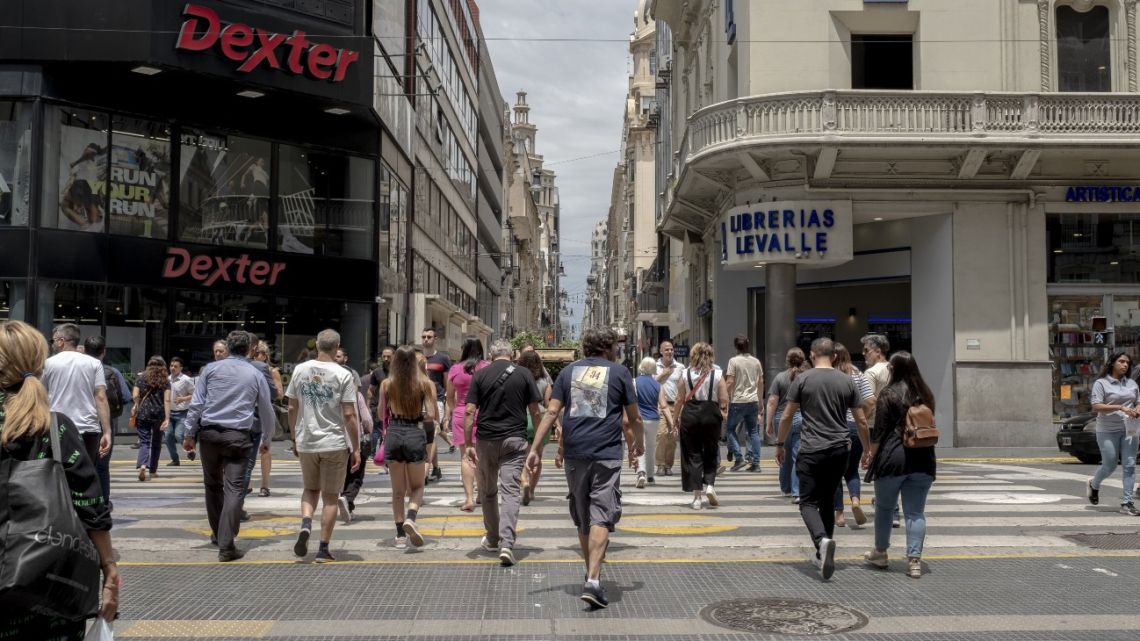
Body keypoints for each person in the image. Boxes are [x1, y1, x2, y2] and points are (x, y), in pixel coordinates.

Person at [0, 320, 119, 640]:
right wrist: (109, 568)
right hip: (52, 585)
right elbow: (90, 504)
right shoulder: (56, 428)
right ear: (38, 366)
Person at [527, 327, 643, 609]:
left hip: (576, 453)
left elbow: (553, 412)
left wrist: (535, 448)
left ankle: (592, 575)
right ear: (609, 347)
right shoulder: (620, 373)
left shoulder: (568, 373)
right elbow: (633, 417)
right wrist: (638, 444)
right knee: (602, 513)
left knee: (582, 516)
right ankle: (593, 579)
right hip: (606, 452)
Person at [775, 337, 869, 582]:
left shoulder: (803, 379)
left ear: (812, 355)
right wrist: (868, 449)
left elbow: (786, 416)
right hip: (840, 449)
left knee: (807, 502)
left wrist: (779, 444)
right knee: (828, 501)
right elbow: (860, 420)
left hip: (811, 448)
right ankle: (823, 552)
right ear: (834, 356)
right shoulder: (847, 381)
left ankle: (821, 540)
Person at [182, 331, 275, 562]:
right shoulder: (255, 373)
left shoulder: (210, 370)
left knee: (212, 485)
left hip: (210, 435)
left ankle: (218, 534)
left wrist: (189, 433)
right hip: (238, 436)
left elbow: (197, 404)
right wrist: (267, 439)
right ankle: (226, 543)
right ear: (250, 350)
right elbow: (267, 411)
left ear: (229, 347)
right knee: (234, 488)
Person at [464, 339, 542, 566]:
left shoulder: (480, 375)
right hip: (515, 442)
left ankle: (492, 538)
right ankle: (507, 544)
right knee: (510, 492)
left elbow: (469, 412)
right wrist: (536, 444)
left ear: (490, 354)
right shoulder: (524, 374)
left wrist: (468, 443)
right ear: (513, 354)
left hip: (486, 441)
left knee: (488, 493)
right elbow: (536, 412)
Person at [285, 329, 361, 562]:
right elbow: (349, 414)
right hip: (333, 441)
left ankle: (306, 522)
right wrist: (356, 447)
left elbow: (291, 408)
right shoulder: (343, 374)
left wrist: (295, 437)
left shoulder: (300, 370)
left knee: (310, 489)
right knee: (330, 496)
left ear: (317, 345)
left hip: (307, 440)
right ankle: (323, 549)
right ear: (337, 347)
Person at [862, 351, 938, 579]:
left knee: (885, 508)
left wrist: (869, 455)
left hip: (893, 458)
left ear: (893, 369)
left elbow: (881, 430)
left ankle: (881, 553)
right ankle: (914, 561)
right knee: (915, 512)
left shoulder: (889, 394)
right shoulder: (926, 394)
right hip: (923, 459)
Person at [380, 345, 438, 548]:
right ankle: (411, 518)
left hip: (394, 432)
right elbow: (431, 415)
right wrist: (417, 416)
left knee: (397, 490)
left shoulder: (387, 384)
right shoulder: (425, 384)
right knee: (418, 485)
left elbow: (381, 415)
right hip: (414, 431)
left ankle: (399, 536)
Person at [42, 323, 112, 475]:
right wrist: (107, 431)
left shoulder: (48, 364)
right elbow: (100, 397)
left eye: (53, 340)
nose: (52, 344)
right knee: (86, 475)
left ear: (61, 341)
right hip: (88, 429)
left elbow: (41, 395)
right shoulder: (94, 364)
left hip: (58, 428)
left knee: (59, 474)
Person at [673, 342, 729, 510]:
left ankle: (697, 497)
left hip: (690, 414)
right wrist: (723, 415)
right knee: (711, 451)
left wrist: (675, 418)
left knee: (693, 454)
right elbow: (724, 399)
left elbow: (679, 399)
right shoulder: (718, 374)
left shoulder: (685, 374)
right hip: (711, 414)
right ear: (710, 356)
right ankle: (710, 485)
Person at [1085, 351, 1140, 515]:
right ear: (1112, 363)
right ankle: (1094, 484)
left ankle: (1127, 502)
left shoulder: (1132, 384)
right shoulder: (1101, 383)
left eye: (1127, 363)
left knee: (1129, 465)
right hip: (1107, 430)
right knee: (1109, 464)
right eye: (1121, 361)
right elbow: (1096, 405)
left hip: (1130, 428)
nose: (1125, 365)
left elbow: (1138, 402)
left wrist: (1137, 409)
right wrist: (1120, 407)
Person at [83, 335, 130, 505]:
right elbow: (125, 396)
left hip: (81, 421)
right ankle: (103, 502)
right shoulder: (112, 371)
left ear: (84, 350)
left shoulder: (77, 369)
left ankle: (85, 500)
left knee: (82, 463)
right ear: (104, 351)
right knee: (102, 466)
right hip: (106, 422)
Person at [831, 343, 873, 528]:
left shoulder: (829, 374)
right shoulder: (857, 373)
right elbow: (871, 399)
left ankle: (839, 514)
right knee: (852, 470)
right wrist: (863, 414)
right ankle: (855, 502)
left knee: (835, 473)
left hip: (834, 427)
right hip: (854, 427)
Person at [446, 337, 489, 511]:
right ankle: (481, 495)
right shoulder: (487, 367)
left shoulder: (455, 369)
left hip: (461, 414)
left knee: (466, 456)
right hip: (483, 413)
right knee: (481, 456)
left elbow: (449, 397)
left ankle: (469, 498)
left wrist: (454, 411)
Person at [861, 334, 898, 527]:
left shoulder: (871, 373)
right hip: (897, 425)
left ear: (878, 350)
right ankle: (895, 509)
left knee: (878, 468)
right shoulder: (895, 368)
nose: (864, 354)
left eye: (867, 350)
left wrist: (863, 419)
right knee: (891, 467)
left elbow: (870, 401)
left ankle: (889, 509)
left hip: (876, 425)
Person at [766, 348, 806, 501]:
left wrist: (768, 423)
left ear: (787, 360)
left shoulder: (779, 378)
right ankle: (797, 492)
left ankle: (786, 488)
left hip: (781, 419)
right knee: (797, 455)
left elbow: (771, 402)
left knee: (783, 452)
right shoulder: (805, 377)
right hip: (801, 418)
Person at [519, 349, 557, 504]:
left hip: (522, 418)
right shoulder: (545, 383)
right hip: (540, 419)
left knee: (522, 456)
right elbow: (549, 406)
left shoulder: (519, 379)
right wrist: (557, 425)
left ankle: (524, 480)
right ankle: (533, 490)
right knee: (537, 457)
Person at [724, 335, 763, 473]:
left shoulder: (733, 361)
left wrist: (722, 397)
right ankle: (756, 463)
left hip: (738, 401)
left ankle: (739, 458)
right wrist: (760, 402)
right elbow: (760, 383)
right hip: (753, 401)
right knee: (753, 432)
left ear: (736, 347)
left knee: (730, 429)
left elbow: (730, 382)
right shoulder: (756, 362)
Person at [131, 356, 171, 481]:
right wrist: (167, 418)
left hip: (143, 413)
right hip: (159, 414)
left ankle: (143, 464)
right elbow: (167, 400)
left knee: (144, 441)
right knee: (157, 443)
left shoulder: (141, 378)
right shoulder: (165, 380)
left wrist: (136, 405)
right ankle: (153, 471)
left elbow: (135, 395)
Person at [252, 341, 283, 496]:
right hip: (249, 412)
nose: (254, 357)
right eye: (253, 354)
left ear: (264, 356)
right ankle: (247, 482)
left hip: (264, 411)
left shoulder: (272, 371)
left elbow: (280, 393)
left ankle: (264, 485)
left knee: (265, 449)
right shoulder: (247, 369)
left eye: (257, 354)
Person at [422, 327, 451, 481]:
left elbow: (447, 384)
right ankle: (436, 468)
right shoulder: (417, 357)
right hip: (419, 402)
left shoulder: (443, 359)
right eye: (424, 337)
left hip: (436, 400)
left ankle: (425, 471)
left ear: (435, 339)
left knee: (431, 435)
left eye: (429, 337)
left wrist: (446, 405)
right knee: (427, 436)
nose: (426, 339)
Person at [655, 340, 685, 476]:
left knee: (672, 437)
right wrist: (663, 374)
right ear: (661, 351)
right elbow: (650, 382)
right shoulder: (655, 366)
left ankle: (668, 465)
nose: (670, 352)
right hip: (660, 405)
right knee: (661, 434)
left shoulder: (680, 367)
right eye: (666, 349)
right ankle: (660, 464)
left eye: (671, 349)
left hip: (675, 405)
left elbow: (683, 387)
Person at [632, 357, 661, 488]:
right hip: (654, 419)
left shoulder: (635, 382)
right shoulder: (657, 384)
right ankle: (650, 476)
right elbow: (664, 405)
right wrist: (672, 421)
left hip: (639, 419)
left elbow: (632, 402)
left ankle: (641, 473)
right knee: (650, 448)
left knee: (640, 445)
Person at [165, 357, 196, 466]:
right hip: (169, 413)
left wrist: (183, 399)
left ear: (180, 368)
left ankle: (190, 450)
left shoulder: (186, 379)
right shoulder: (167, 379)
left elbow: (196, 395)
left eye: (175, 366)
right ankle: (175, 459)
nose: (172, 368)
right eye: (171, 366)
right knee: (168, 436)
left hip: (182, 413)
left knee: (179, 435)